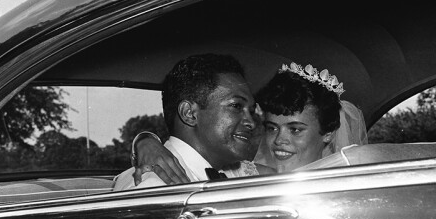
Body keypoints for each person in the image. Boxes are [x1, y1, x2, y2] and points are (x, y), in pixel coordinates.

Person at [130, 61, 367, 183]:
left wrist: (144, 140)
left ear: (328, 133)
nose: (279, 141)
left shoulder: (351, 175)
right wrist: (146, 141)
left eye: (295, 130)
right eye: (272, 127)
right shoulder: (251, 173)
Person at [112, 53, 262, 191]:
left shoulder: (232, 173)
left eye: (252, 111)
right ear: (189, 113)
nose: (251, 123)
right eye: (236, 106)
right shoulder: (152, 186)